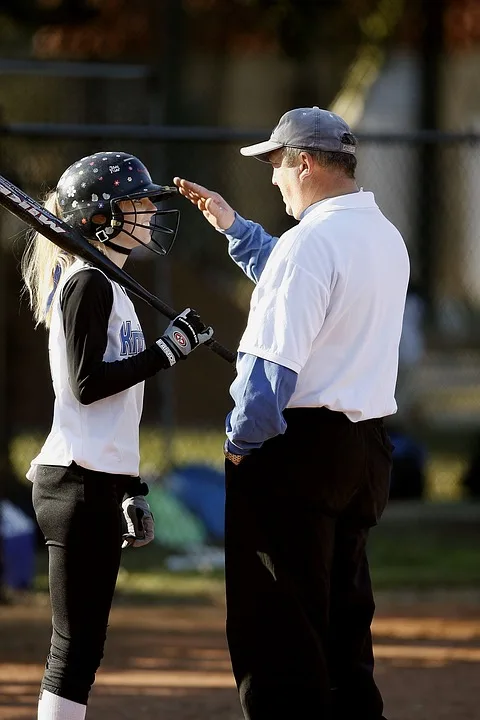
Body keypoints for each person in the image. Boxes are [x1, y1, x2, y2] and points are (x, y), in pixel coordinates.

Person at [174, 107, 409, 720]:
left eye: (277, 163)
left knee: (278, 635)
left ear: (304, 162)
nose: (274, 177)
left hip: (295, 452)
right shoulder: (383, 234)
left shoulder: (311, 243)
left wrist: (238, 445)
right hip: (364, 450)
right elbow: (301, 276)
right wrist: (235, 228)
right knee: (342, 628)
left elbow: (268, 374)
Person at [21, 151, 213, 720]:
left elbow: (115, 412)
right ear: (101, 216)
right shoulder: (88, 284)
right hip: (73, 482)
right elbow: (86, 386)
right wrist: (167, 352)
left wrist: (130, 488)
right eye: (138, 202)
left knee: (85, 646)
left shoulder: (113, 284)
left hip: (96, 480)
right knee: (74, 646)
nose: (151, 211)